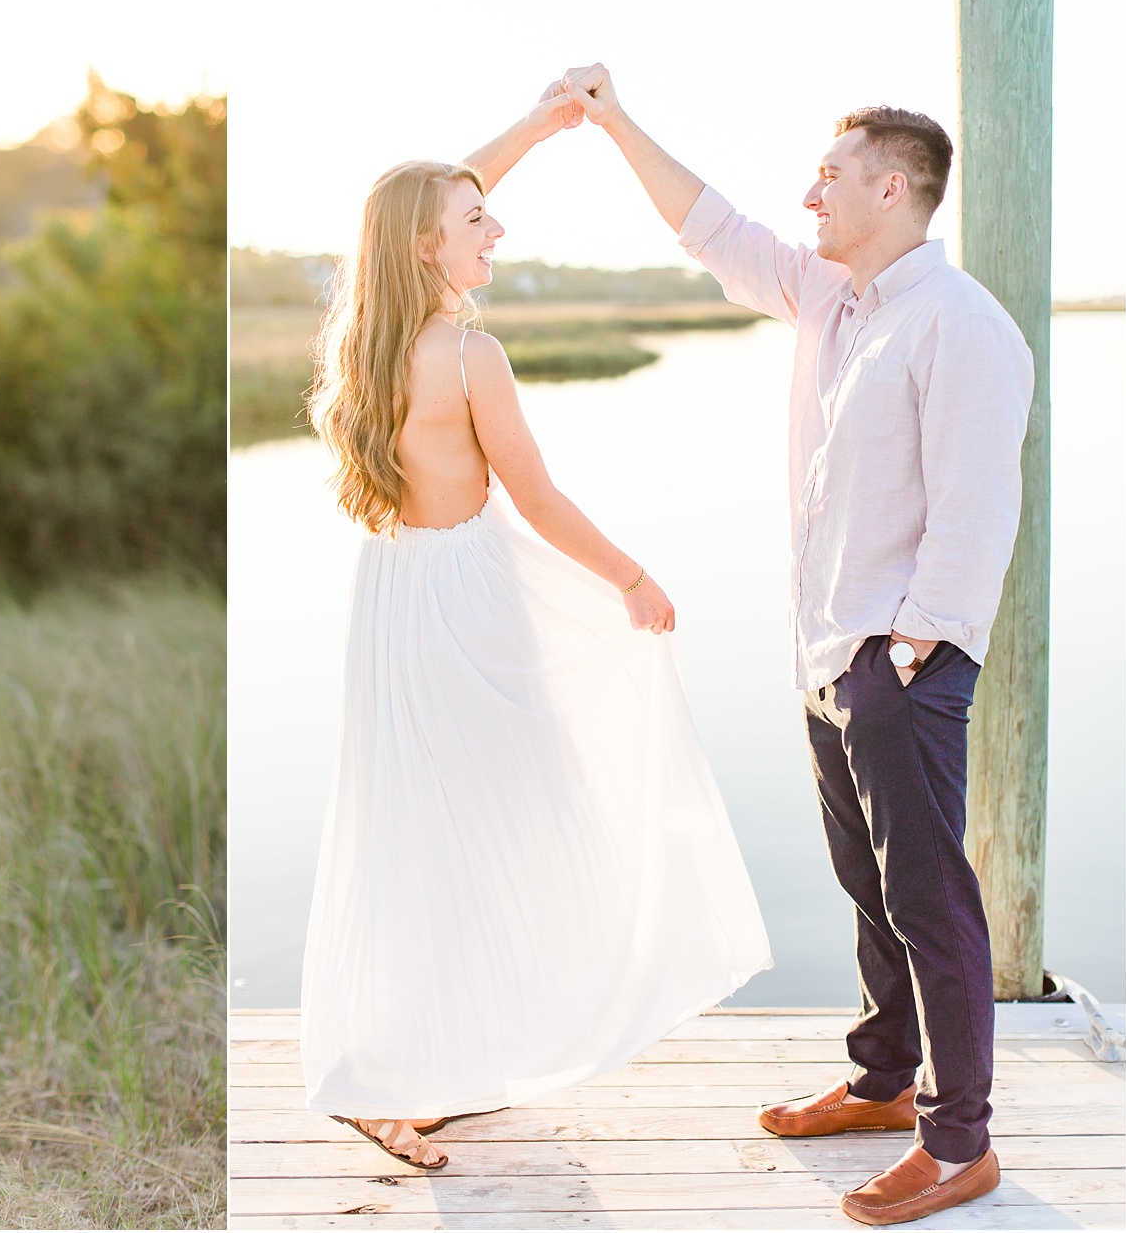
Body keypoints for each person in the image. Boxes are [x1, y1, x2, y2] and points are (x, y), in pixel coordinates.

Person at [563, 63, 1031, 1226]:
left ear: (891, 187)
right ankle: (883, 1077)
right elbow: (709, 223)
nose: (810, 195)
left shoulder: (963, 325)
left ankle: (959, 1140)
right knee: (867, 885)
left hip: (896, 659)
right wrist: (616, 120)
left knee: (930, 896)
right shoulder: (831, 298)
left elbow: (977, 511)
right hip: (829, 653)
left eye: (829, 177)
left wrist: (911, 645)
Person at [297, 84, 772, 1171]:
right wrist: (635, 577)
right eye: (477, 225)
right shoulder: (470, 356)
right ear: (431, 249)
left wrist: (538, 123)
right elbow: (540, 501)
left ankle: (422, 1061)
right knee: (517, 817)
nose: (496, 229)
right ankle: (403, 1075)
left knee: (414, 828)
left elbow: (410, 208)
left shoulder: (367, 341)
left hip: (394, 597)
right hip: (467, 601)